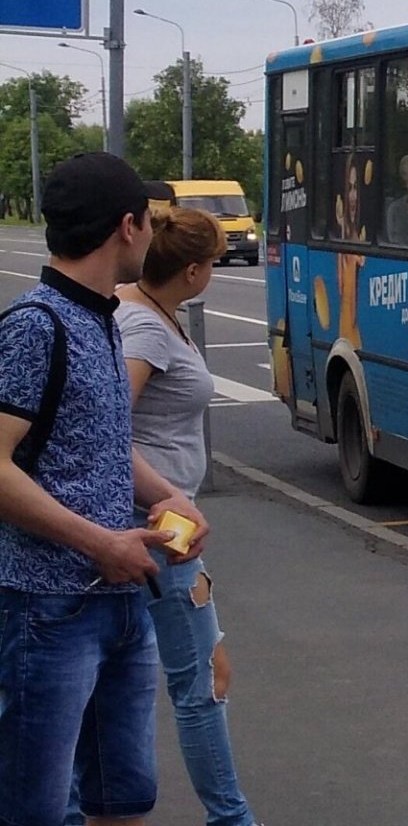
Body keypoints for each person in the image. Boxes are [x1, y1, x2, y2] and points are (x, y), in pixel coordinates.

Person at [0, 152, 208, 826]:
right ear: (127, 226)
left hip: (121, 598)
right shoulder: (37, 326)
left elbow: (101, 443)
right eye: (150, 220)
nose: (152, 234)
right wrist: (99, 542)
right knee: (33, 805)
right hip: (48, 606)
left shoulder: (102, 319)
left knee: (125, 796)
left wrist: (163, 496)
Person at [99, 205, 261, 826]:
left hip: (169, 531)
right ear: (193, 271)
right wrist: (168, 491)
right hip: (154, 530)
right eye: (215, 262)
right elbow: (108, 427)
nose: (215, 272)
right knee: (197, 687)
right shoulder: (144, 329)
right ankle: (232, 818)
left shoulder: (150, 309)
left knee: (192, 677)